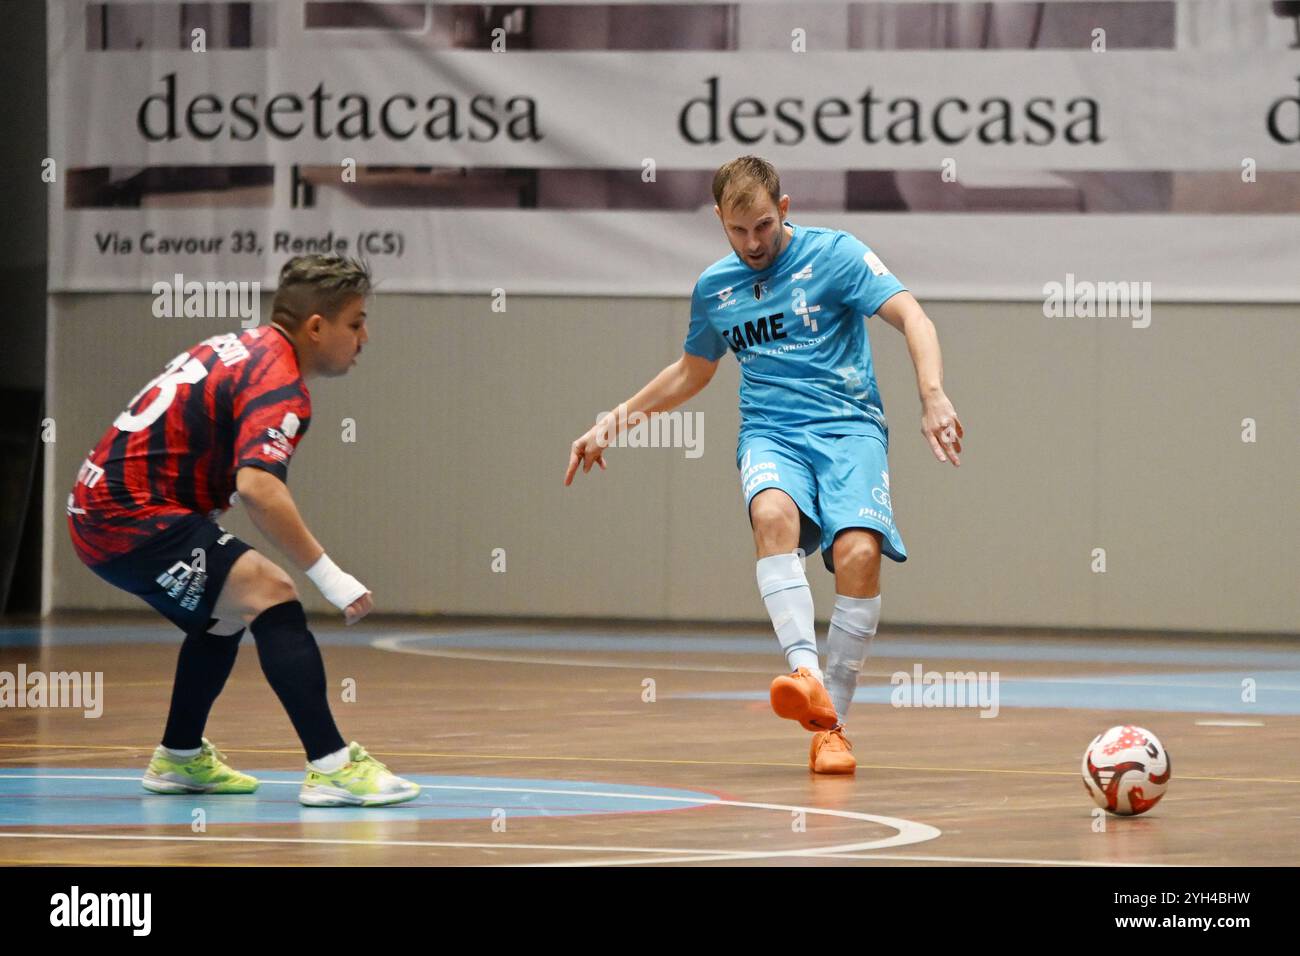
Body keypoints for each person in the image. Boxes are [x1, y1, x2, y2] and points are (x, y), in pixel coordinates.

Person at [565, 156, 964, 774]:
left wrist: (932, 394)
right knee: (771, 513)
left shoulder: (837, 256)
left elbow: (913, 315)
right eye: (737, 231)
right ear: (720, 221)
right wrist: (612, 422)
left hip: (850, 429)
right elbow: (691, 372)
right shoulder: (715, 288)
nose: (752, 243)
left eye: (762, 227)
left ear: (784, 209)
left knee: (858, 555)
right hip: (771, 434)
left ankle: (833, 726)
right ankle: (805, 672)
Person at [68, 254, 420, 806]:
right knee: (271, 591)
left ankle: (179, 758)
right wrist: (331, 576)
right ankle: (332, 768)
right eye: (356, 323)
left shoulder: (238, 346)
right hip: (128, 516)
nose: (364, 337)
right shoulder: (279, 384)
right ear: (315, 327)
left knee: (227, 612)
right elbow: (259, 488)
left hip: (101, 510)